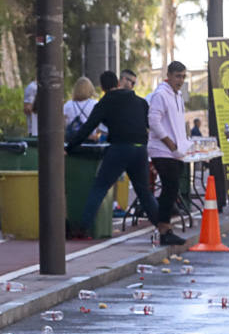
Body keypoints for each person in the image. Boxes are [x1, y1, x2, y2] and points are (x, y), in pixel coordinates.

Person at [67, 71, 177, 243]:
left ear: (102, 87)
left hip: (119, 148)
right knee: (144, 192)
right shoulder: (140, 102)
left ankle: (82, 228)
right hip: (140, 149)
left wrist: (70, 147)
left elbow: (87, 128)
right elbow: (153, 126)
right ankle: (164, 229)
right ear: (118, 82)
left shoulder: (105, 103)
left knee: (100, 187)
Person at [147, 61, 191, 245]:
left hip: (176, 151)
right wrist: (169, 142)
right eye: (178, 76)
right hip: (162, 150)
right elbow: (153, 121)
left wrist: (182, 143)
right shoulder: (161, 94)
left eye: (183, 76)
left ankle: (165, 227)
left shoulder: (177, 95)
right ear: (169, 75)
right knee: (169, 188)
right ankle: (164, 229)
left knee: (172, 190)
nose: (180, 80)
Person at [63, 77, 101, 143]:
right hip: (90, 139)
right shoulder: (95, 104)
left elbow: (63, 124)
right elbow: (100, 124)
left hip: (72, 140)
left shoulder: (68, 105)